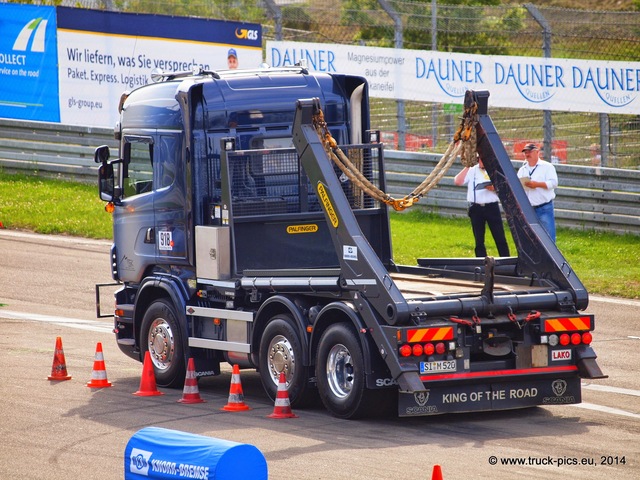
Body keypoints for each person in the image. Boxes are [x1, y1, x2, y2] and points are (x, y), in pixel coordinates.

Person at [454, 155, 511, 258]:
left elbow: (505, 187)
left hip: (491, 207)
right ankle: (481, 262)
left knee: (500, 237)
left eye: (483, 159)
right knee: (479, 239)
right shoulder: (472, 170)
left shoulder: (495, 170)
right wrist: (468, 166)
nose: (481, 162)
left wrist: (495, 188)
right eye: (479, 159)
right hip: (476, 208)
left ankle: (506, 259)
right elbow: (458, 181)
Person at [517, 142, 558, 242]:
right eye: (525, 152)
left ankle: (550, 257)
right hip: (528, 208)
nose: (527, 154)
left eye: (530, 151)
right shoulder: (522, 169)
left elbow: (554, 183)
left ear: (537, 152)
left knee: (548, 237)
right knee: (529, 237)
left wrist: (537, 184)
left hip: (544, 207)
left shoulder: (547, 167)